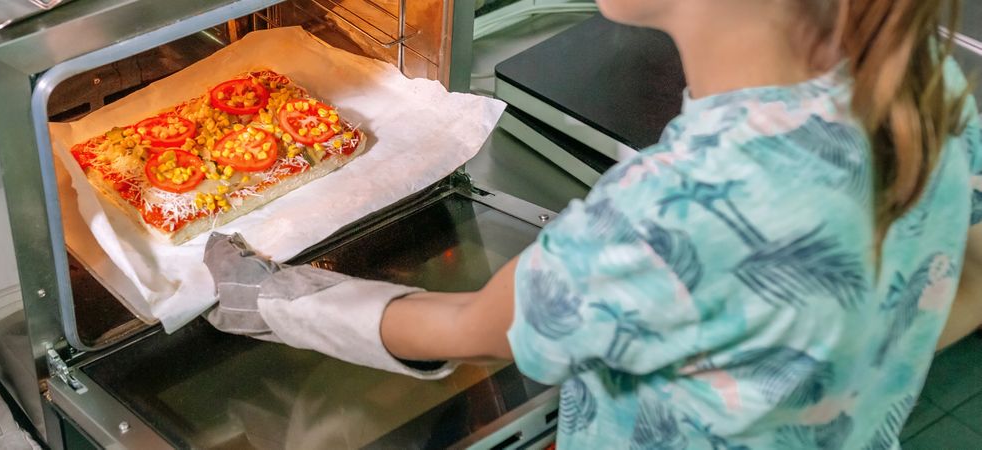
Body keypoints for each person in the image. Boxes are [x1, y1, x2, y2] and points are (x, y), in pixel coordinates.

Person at [202, 0, 982, 448]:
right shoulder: (920, 84)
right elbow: (958, 270)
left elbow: (475, 327)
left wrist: (273, 300)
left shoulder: (673, 214)